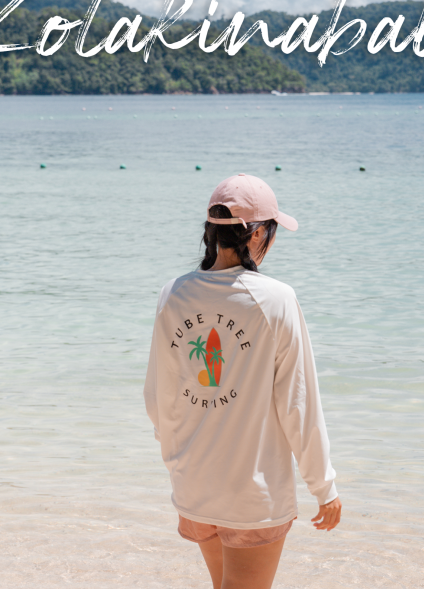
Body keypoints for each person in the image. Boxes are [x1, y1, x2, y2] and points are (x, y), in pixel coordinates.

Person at [144, 173, 341, 589]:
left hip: (193, 485)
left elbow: (157, 397)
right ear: (256, 235)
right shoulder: (276, 299)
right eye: (272, 232)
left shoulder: (173, 293)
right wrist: (324, 487)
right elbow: (299, 404)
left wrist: (179, 461)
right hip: (252, 496)